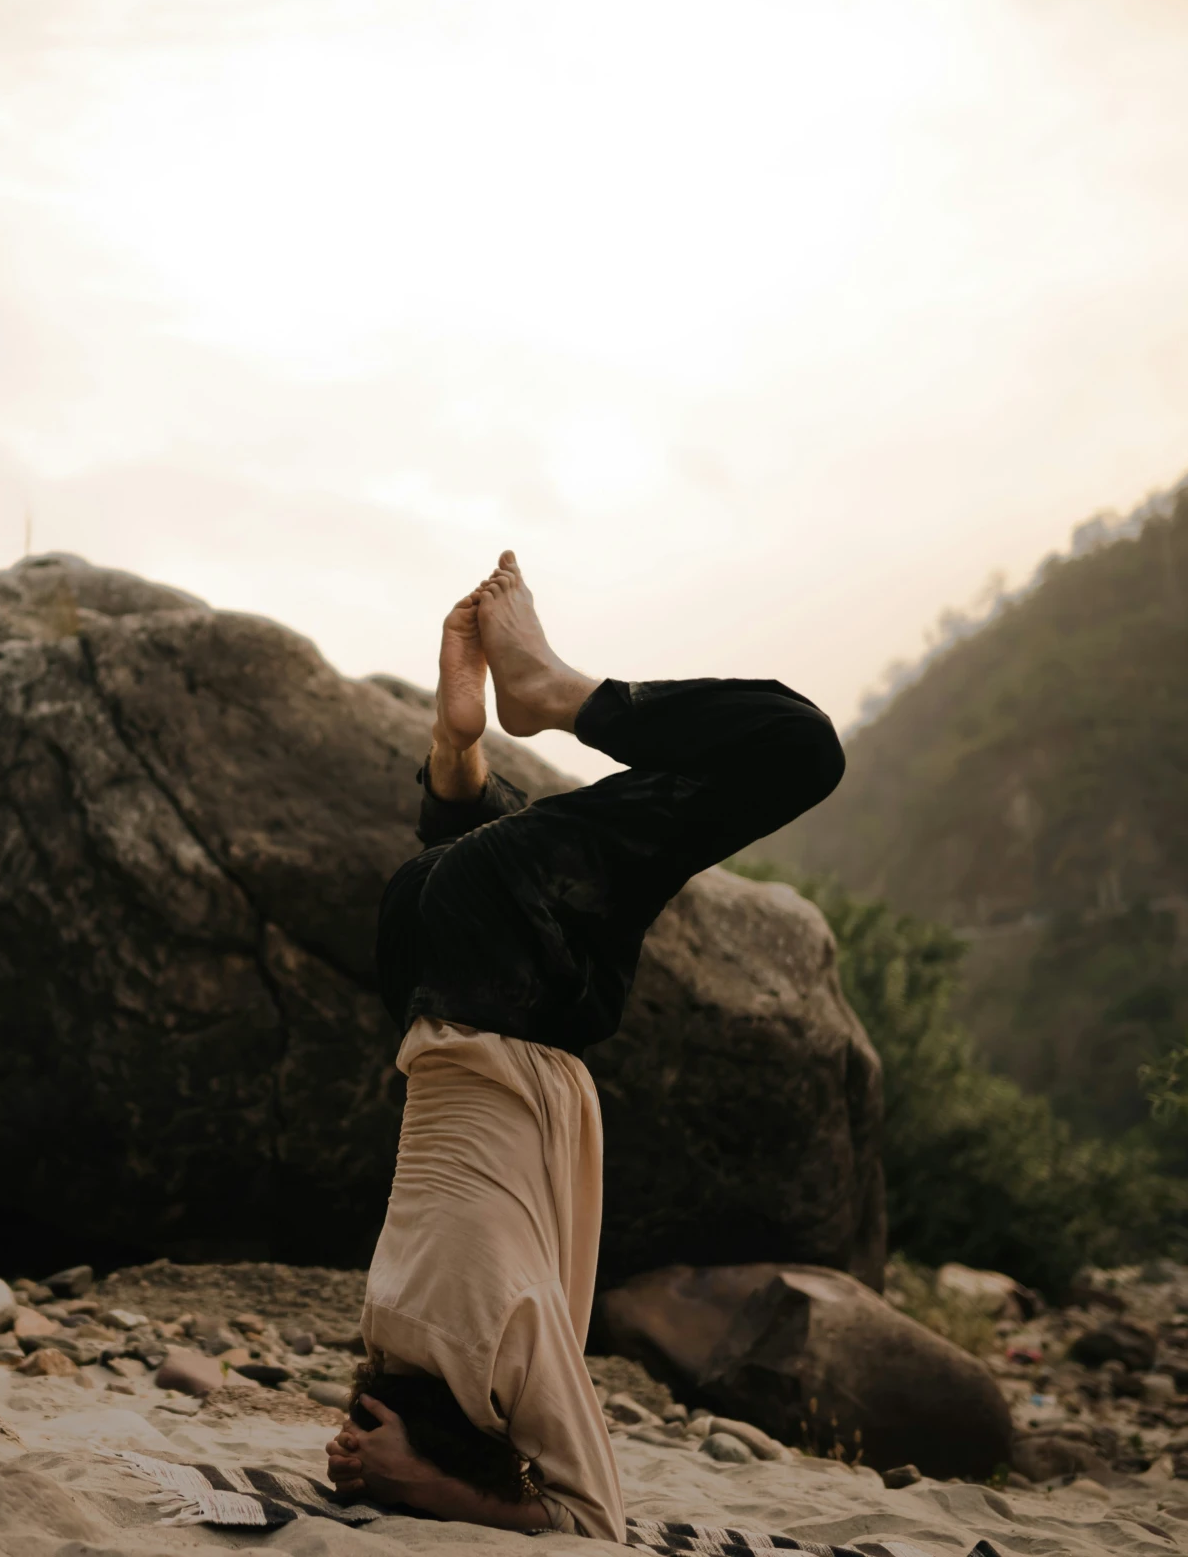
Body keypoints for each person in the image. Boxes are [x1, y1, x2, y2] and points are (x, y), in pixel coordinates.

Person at [326, 552, 846, 1540]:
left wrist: (436, 1485)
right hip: (430, 963)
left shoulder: (499, 1331)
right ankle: (455, 759)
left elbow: (588, 1513)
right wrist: (394, 1464)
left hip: (503, 973)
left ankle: (548, 690)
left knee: (799, 744)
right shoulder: (393, 1323)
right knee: (504, 884)